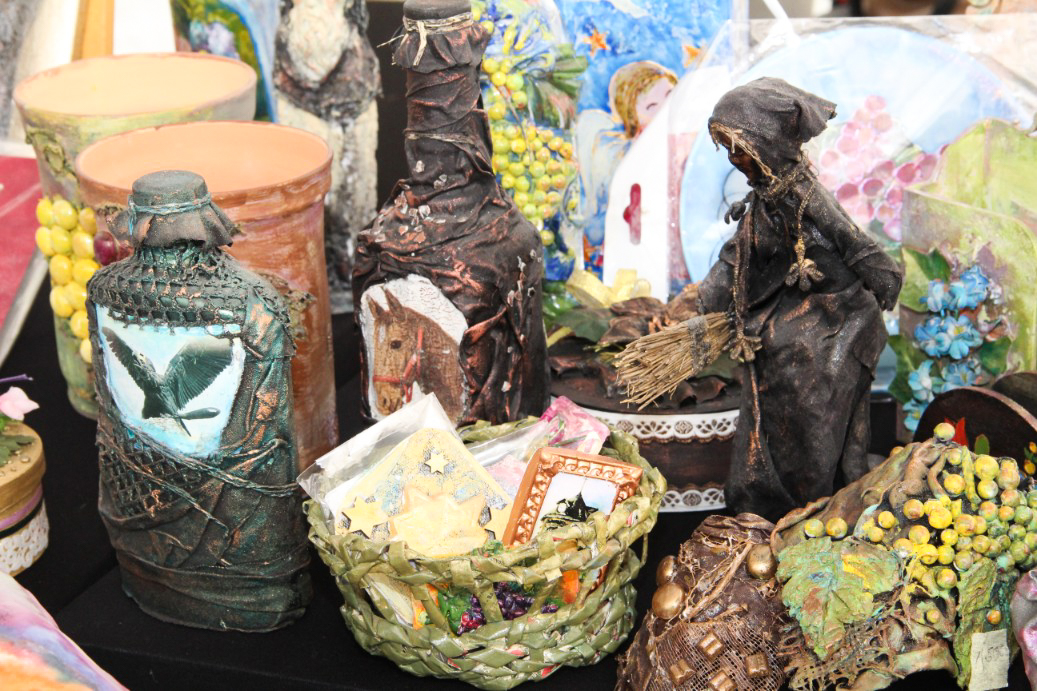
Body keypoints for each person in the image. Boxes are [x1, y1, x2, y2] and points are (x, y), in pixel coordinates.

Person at [697, 77, 903, 521]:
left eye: (740, 149)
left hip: (839, 323)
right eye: (728, 150)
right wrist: (704, 299)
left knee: (808, 403)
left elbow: (851, 239)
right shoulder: (767, 199)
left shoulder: (804, 195)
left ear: (767, 144)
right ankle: (773, 502)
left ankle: (809, 504)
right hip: (801, 318)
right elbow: (738, 255)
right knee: (774, 361)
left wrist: (885, 276)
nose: (734, 160)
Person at [575, 60, 677, 273]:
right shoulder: (628, 158)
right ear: (632, 118)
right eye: (651, 107)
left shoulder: (687, 143)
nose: (665, 110)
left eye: (670, 96)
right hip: (638, 254)